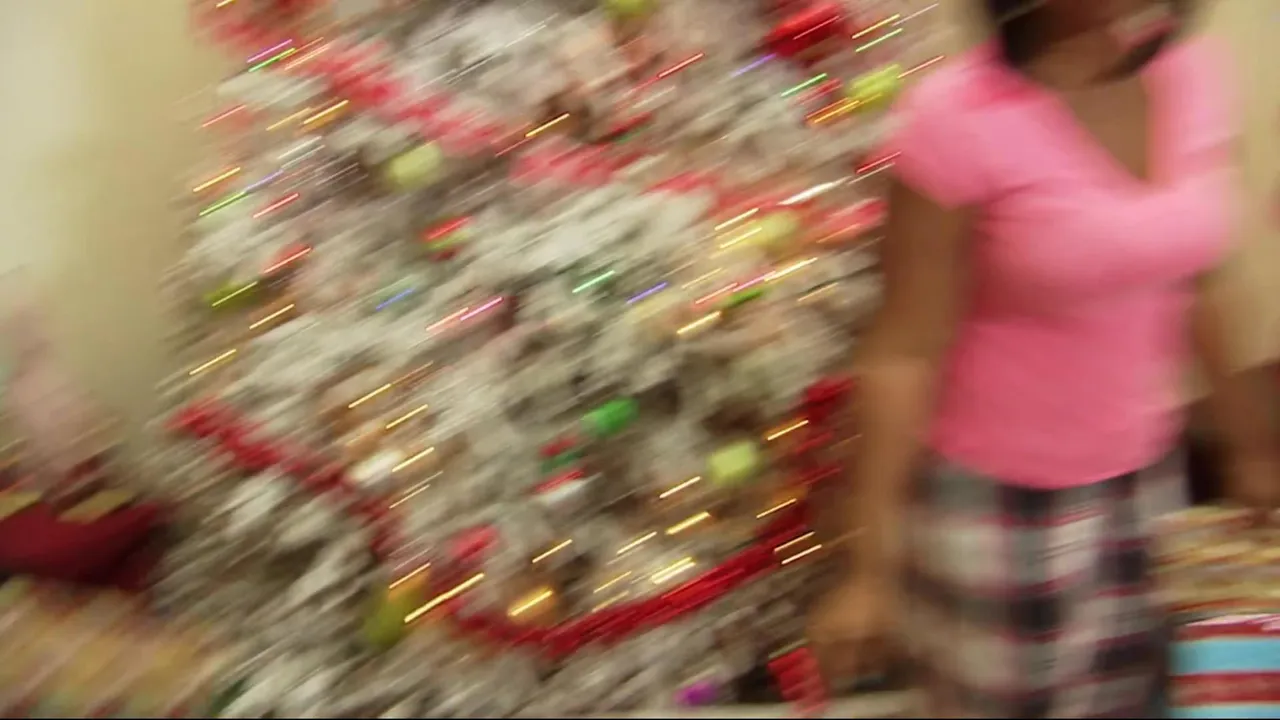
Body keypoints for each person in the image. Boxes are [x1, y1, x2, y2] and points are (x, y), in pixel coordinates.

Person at [807, 0, 1277, 715]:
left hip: (1147, 480)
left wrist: (1251, 448)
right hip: (994, 506)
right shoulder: (958, 116)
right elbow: (902, 350)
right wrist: (867, 568)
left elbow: (1197, 279)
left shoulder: (1192, 75)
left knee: (1144, 698)